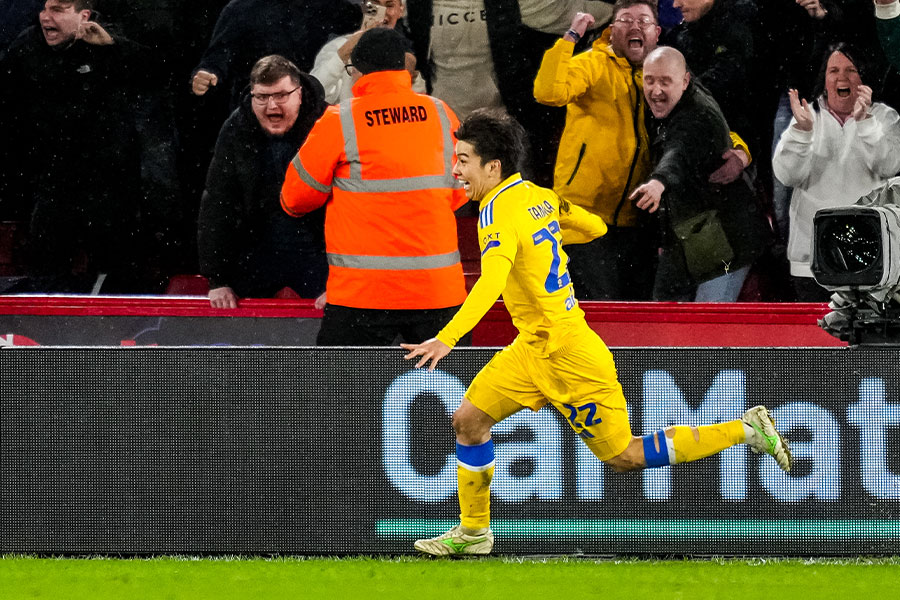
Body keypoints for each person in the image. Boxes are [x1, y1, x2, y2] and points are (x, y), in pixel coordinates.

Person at [401, 108, 792, 556]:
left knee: (623, 456)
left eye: (463, 159)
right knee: (469, 421)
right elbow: (595, 227)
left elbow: (491, 280)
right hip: (533, 347)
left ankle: (746, 430)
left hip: (569, 352)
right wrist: (548, 233)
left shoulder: (495, 212)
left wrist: (447, 337)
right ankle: (474, 534)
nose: (456, 169)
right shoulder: (536, 197)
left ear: (493, 167)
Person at [280, 27, 469, 345]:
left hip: (362, 296)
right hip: (438, 294)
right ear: (403, 68)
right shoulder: (442, 114)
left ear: (357, 71)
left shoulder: (339, 120)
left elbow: (294, 199)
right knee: (448, 394)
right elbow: (461, 192)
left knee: (344, 394)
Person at [0, 0, 152, 293]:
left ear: (83, 15)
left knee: (113, 262)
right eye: (44, 9)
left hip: (108, 176)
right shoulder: (28, 44)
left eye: (57, 10)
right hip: (53, 172)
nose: (46, 17)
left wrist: (112, 46)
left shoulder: (110, 39)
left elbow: (155, 72)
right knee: (45, 258)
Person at [533, 1, 661, 300]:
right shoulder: (592, 63)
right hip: (584, 217)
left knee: (635, 315)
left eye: (643, 21)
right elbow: (547, 91)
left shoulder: (660, 75)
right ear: (611, 30)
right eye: (626, 20)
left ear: (657, 32)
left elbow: (697, 115)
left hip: (637, 220)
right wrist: (569, 39)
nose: (635, 27)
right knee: (600, 310)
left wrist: (737, 148)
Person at [630, 47, 771, 302]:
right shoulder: (677, 100)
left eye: (665, 82)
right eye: (649, 80)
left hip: (726, 238)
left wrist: (658, 182)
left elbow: (678, 151)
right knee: (664, 311)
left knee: (709, 322)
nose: (656, 90)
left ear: (685, 81)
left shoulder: (696, 115)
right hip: (691, 231)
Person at [772, 42, 900, 301]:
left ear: (864, 78)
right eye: (834, 70)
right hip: (812, 265)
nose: (842, 77)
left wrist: (866, 124)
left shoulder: (885, 118)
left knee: (864, 342)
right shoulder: (807, 119)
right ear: (825, 79)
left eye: (851, 70)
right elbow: (787, 175)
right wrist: (802, 132)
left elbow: (889, 166)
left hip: (871, 262)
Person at [198, 55, 329, 309]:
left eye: (281, 95)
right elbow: (218, 202)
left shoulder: (329, 122)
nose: (271, 106)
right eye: (262, 97)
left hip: (317, 250)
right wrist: (217, 279)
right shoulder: (236, 127)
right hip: (259, 249)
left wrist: (345, 282)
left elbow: (354, 204)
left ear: (299, 93)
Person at [189, 0, 360, 107]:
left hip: (308, 109)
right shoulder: (241, 8)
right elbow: (218, 55)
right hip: (256, 111)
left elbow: (368, 20)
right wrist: (207, 73)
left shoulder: (330, 7)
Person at [310, 0, 425, 104]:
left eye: (389, 5)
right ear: (364, 7)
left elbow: (416, 106)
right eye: (375, 4)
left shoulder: (406, 56)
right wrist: (343, 54)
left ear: (401, 10)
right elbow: (314, 94)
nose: (382, 12)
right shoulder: (338, 47)